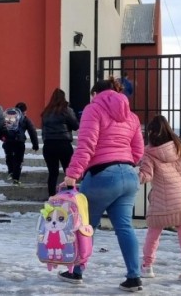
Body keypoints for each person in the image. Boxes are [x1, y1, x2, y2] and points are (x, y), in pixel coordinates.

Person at [59, 78, 145, 293]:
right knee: (125, 227)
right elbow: (138, 151)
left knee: (85, 225)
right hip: (128, 175)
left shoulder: (93, 109)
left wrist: (72, 175)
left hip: (102, 175)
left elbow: (86, 145)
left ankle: (76, 271)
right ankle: (134, 277)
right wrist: (124, 163)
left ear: (96, 93)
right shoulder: (132, 116)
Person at [138, 114, 181, 285]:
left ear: (151, 132)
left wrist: (135, 175)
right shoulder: (178, 148)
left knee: (153, 233)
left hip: (160, 201)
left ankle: (147, 266)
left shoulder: (149, 153)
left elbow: (146, 175)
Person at [40, 88, 80, 197]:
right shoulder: (66, 110)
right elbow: (76, 125)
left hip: (48, 145)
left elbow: (43, 130)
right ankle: (71, 196)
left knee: (53, 173)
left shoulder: (45, 112)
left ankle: (51, 197)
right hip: (63, 144)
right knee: (69, 173)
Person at [2, 102, 39, 185]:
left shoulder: (8, 117)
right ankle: (16, 178)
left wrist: (2, 137)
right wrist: (35, 144)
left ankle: (11, 171)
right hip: (19, 142)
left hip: (8, 141)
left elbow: (2, 127)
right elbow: (32, 131)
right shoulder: (25, 119)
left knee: (9, 157)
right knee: (18, 161)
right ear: (25, 111)